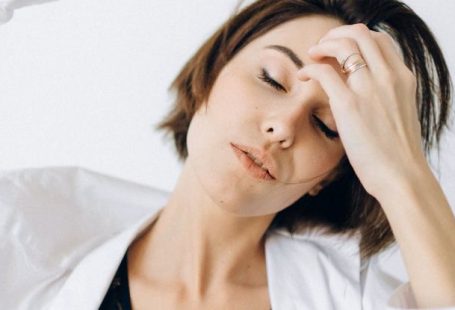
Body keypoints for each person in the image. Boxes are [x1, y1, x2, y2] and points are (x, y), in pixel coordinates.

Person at [1, 0, 454, 309]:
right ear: (210, 73)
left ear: (333, 175)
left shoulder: (356, 300)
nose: (281, 127)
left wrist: (403, 173)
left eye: (326, 126)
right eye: (272, 79)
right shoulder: (24, 235)